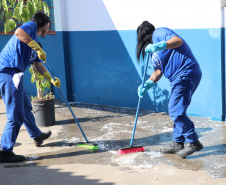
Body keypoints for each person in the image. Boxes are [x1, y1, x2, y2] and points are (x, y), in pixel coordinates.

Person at [136, 21, 203, 158]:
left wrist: (159, 45)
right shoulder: (153, 52)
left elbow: (177, 41)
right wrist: (147, 84)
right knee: (177, 109)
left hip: (186, 73)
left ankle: (193, 141)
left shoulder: (159, 32)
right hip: (177, 78)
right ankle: (178, 143)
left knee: (175, 111)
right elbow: (158, 71)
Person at [0, 12, 61, 163]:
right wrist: (34, 45)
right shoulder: (32, 26)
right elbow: (18, 32)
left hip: (16, 74)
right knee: (16, 114)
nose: (49, 28)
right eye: (49, 26)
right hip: (9, 72)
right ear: (45, 24)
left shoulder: (34, 42)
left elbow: (38, 65)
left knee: (26, 108)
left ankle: (37, 136)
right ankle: (4, 150)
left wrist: (51, 80)